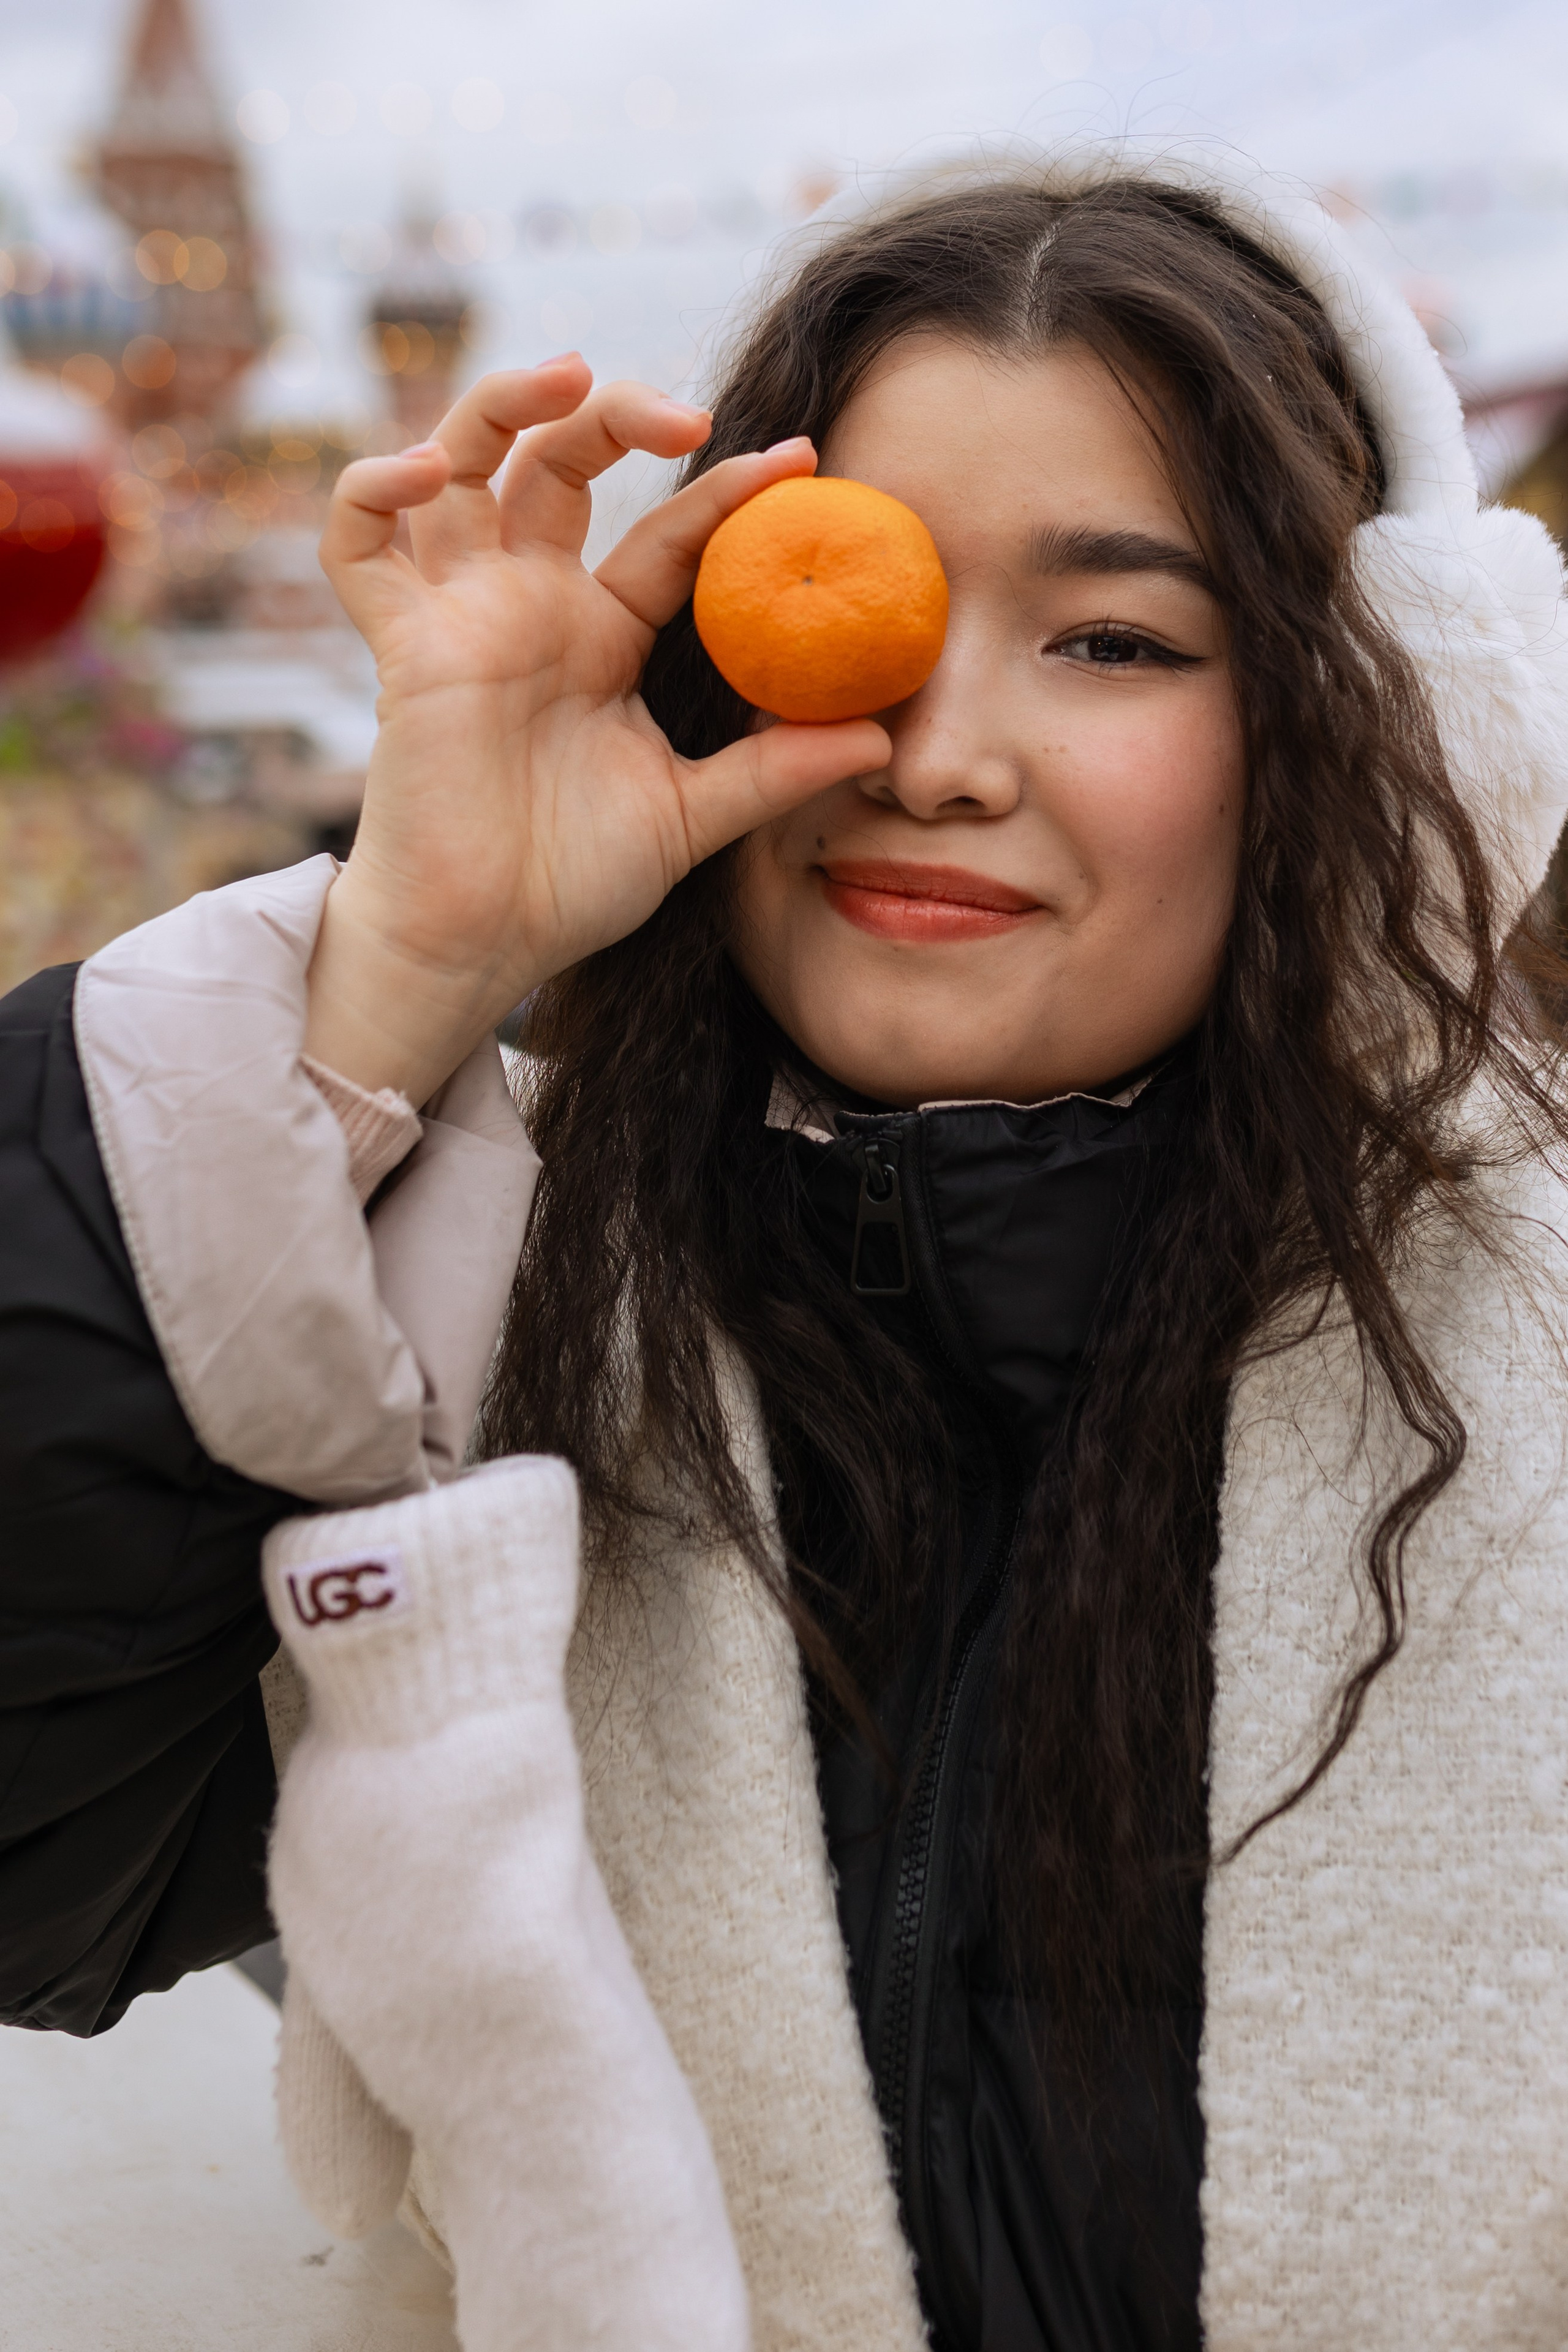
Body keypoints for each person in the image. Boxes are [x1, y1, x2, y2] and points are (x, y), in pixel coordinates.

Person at [4, 139, 1568, 2352]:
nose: (933, 755)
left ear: (1379, 714)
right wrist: (405, 959)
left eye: (1115, 638)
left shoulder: (1536, 1386)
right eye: (869, 609)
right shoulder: (447, 1341)